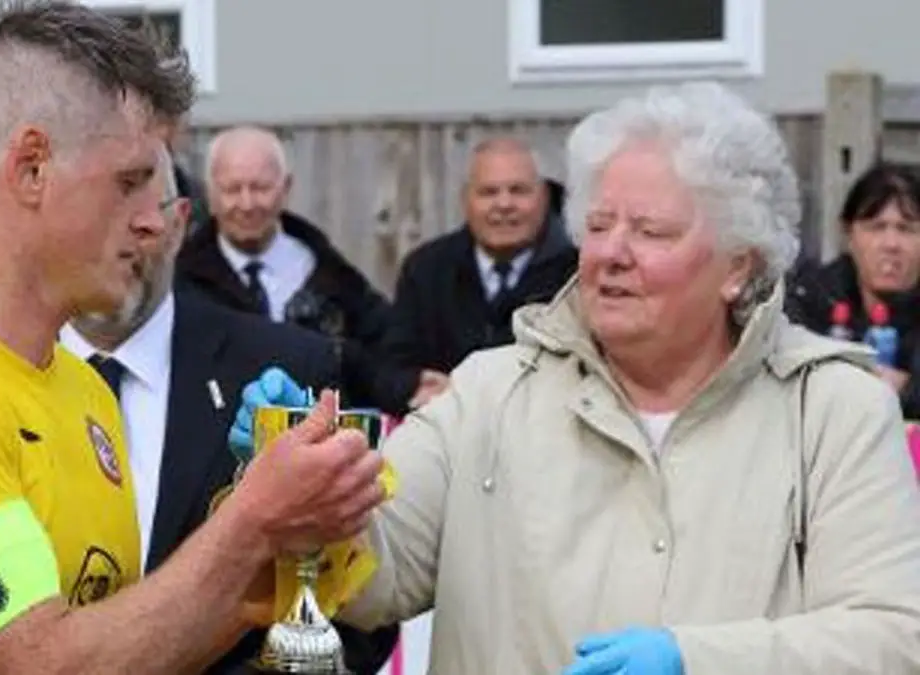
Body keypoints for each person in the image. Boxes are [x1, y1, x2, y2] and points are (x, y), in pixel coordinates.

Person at [235, 81, 920, 673]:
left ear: (738, 265)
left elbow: (894, 637)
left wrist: (699, 660)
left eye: (650, 231)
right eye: (597, 224)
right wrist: (308, 485)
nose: (612, 254)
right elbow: (373, 574)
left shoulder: (833, 409)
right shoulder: (490, 393)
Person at [0, 4, 385, 674]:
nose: (153, 223)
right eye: (129, 182)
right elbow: (41, 664)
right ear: (32, 167)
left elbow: (138, 645)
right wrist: (250, 521)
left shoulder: (81, 389)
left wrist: (296, 519)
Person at [59, 144, 399, 673]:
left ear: (179, 224)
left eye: (141, 224)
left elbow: (353, 617)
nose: (116, 244)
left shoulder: (287, 365)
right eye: (92, 219)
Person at [176, 125, 430, 414]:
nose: (246, 204)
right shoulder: (182, 281)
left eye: (260, 188)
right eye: (232, 189)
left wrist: (406, 385)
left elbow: (383, 349)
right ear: (210, 194)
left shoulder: (328, 271)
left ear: (286, 188)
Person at [381, 137, 577, 381]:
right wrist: (414, 386)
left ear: (545, 197)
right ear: (466, 200)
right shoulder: (426, 269)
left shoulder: (577, 272)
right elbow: (391, 365)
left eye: (518, 191)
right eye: (488, 192)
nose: (504, 204)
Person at [786, 163, 920, 417]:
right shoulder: (811, 299)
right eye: (876, 227)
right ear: (848, 233)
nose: (891, 244)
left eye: (906, 229)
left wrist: (908, 390)